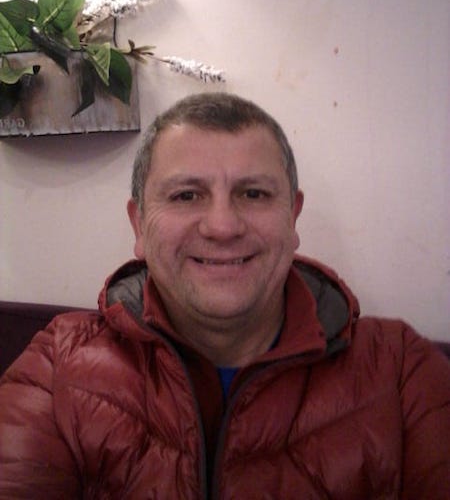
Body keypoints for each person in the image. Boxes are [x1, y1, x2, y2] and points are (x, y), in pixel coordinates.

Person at [0, 92, 449, 499]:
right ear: (139, 226)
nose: (222, 226)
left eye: (253, 193)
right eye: (186, 195)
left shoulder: (402, 372)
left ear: (293, 218)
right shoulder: (57, 365)